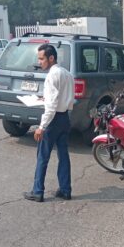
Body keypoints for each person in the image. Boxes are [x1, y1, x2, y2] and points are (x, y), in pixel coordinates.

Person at [23, 44, 75, 202]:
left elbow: (52, 106)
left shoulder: (52, 75)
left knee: (42, 156)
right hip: (65, 117)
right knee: (63, 155)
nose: (40, 62)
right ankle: (65, 190)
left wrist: (41, 127)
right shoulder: (67, 73)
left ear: (51, 58)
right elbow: (68, 99)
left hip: (53, 121)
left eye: (41, 58)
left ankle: (37, 191)